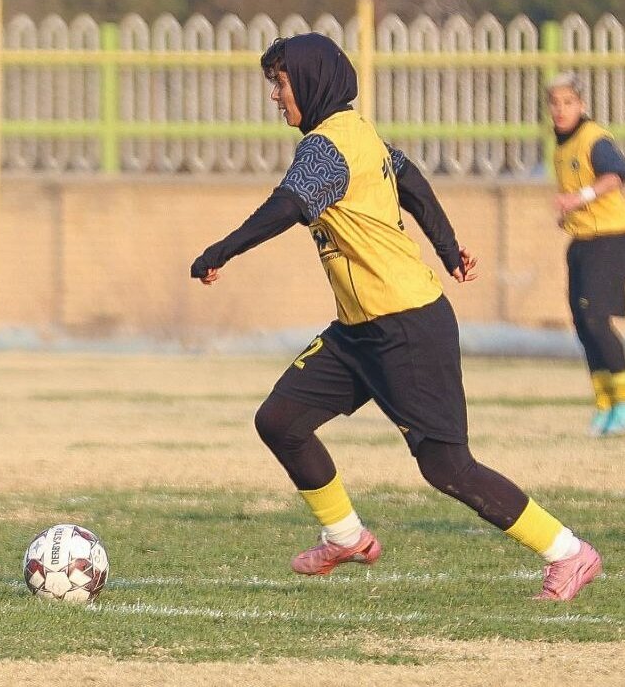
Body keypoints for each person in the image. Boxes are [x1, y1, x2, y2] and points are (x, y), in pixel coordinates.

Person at [190, 34, 602, 601]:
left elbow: (288, 206)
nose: (275, 97)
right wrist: (448, 247)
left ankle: (569, 553)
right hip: (358, 331)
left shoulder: (328, 146)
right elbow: (410, 180)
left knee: (447, 466)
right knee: (280, 420)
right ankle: (345, 537)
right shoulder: (358, 135)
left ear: (309, 82)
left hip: (406, 325)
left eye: (279, 84)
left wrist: (221, 251)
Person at [547, 72, 625, 436]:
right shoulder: (560, 147)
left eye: (568, 102)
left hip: (608, 239)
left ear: (582, 104)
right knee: (582, 324)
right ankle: (605, 405)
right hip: (580, 242)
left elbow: (614, 176)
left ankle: (622, 402)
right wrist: (569, 213)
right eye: (555, 103)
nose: (560, 110)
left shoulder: (595, 139)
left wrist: (580, 198)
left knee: (596, 318)